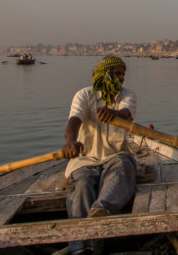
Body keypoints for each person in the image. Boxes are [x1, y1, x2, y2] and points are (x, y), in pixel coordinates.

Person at [62, 55, 137, 255]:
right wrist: (70, 142)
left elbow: (126, 112)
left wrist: (115, 114)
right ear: (103, 74)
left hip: (117, 154)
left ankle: (100, 211)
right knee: (82, 184)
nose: (121, 78)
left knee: (120, 172)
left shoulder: (127, 94)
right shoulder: (84, 95)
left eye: (123, 74)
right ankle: (80, 248)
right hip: (86, 156)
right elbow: (74, 121)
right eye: (116, 73)